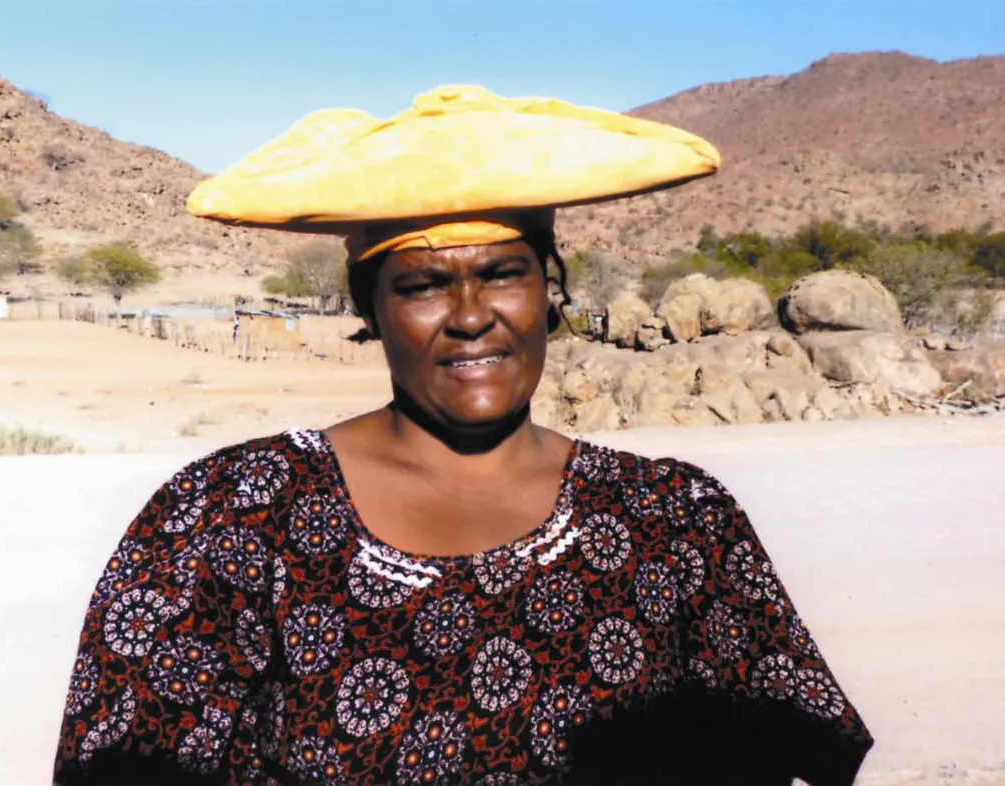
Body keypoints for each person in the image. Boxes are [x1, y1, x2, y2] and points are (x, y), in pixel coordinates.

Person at [53, 86, 872, 786]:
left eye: (505, 274)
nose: (474, 315)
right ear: (367, 308)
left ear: (550, 292)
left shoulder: (671, 518)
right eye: (424, 285)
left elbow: (775, 756)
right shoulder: (232, 518)